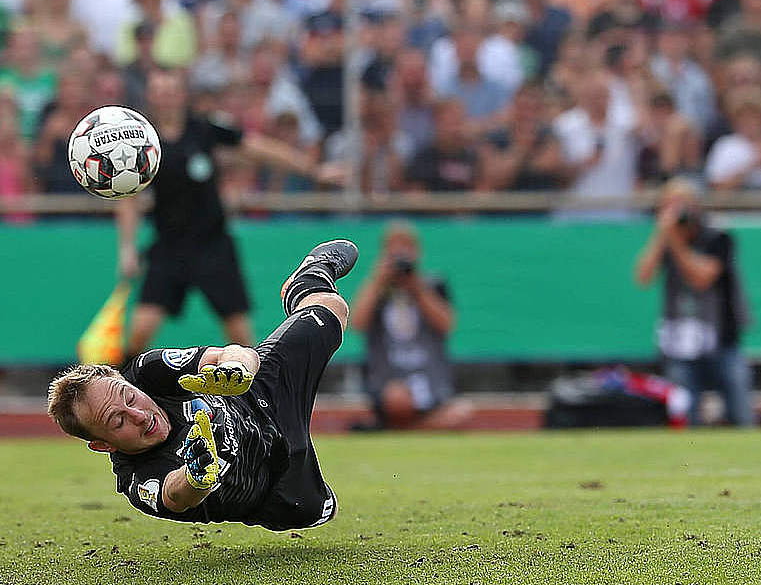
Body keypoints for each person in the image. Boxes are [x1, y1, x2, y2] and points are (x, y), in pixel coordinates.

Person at [46, 240, 359, 529]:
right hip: (279, 486)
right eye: (118, 421)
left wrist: (236, 371)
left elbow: (234, 352)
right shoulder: (135, 478)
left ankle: (305, 281)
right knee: (318, 512)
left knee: (331, 309)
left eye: (129, 397)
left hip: (259, 395)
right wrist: (195, 475)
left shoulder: (148, 372)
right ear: (104, 445)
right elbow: (174, 496)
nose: (138, 414)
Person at [116, 68, 343, 359]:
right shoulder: (144, 143)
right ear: (150, 96)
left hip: (213, 245)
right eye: (159, 91)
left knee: (241, 338)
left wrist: (313, 170)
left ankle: (256, 397)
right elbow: (129, 198)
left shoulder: (204, 129)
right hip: (168, 247)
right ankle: (125, 396)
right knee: (139, 335)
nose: (166, 97)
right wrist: (127, 248)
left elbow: (258, 148)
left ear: (182, 94)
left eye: (171, 90)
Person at [633, 179, 752, 427]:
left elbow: (701, 278)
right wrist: (662, 234)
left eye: (681, 204)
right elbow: (642, 277)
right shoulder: (666, 238)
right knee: (686, 416)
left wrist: (674, 241)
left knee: (740, 414)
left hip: (722, 339)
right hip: (680, 343)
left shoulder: (717, 237)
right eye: (669, 205)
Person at [351, 221, 471, 429]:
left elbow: (447, 324)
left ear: (417, 252)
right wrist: (376, 281)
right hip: (391, 380)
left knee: (462, 412)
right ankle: (425, 428)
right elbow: (357, 323)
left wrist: (416, 287)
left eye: (406, 247)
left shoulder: (433, 285)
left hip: (429, 379)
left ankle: (405, 430)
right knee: (397, 398)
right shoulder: (377, 291)